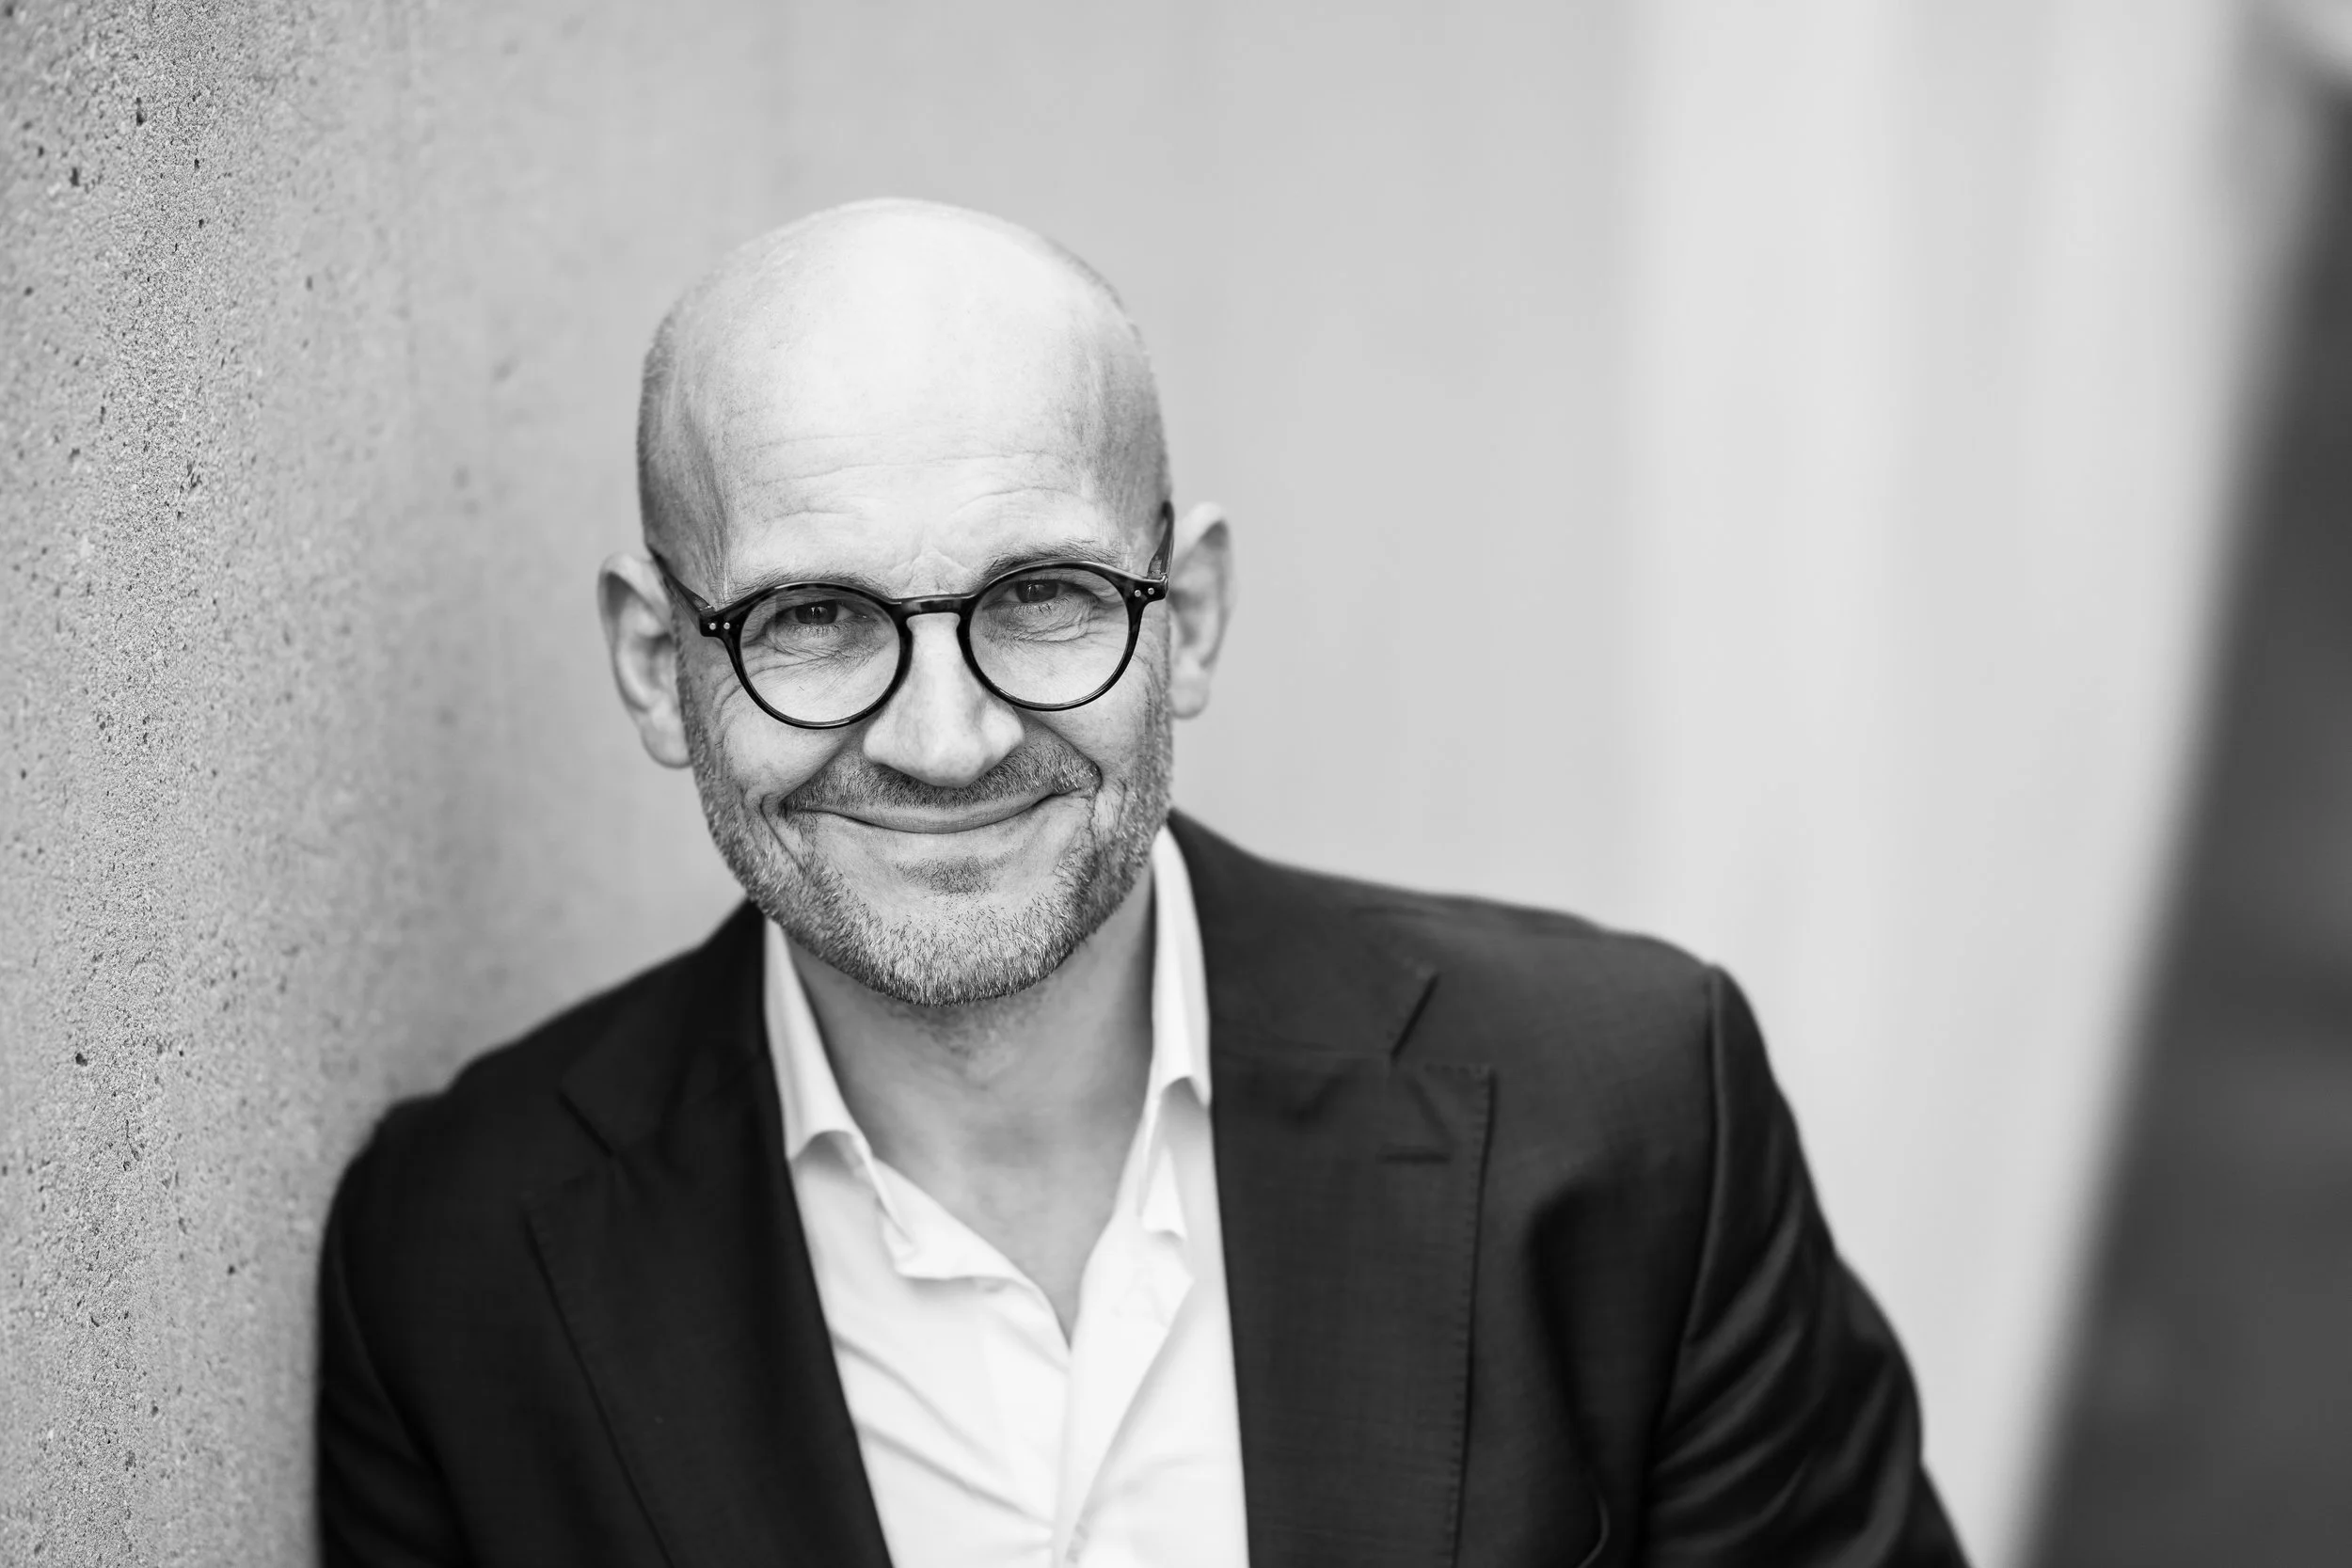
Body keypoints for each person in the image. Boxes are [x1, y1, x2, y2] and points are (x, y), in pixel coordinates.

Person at [316, 199, 1967, 1568]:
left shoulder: (1629, 1110)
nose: (948, 742)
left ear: (1185, 618)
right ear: (654, 664)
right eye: (813, 619)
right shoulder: (457, 1264)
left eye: (1039, 594)